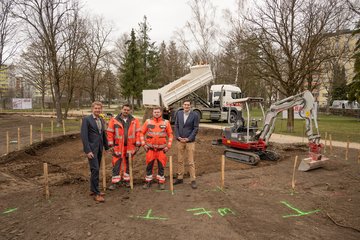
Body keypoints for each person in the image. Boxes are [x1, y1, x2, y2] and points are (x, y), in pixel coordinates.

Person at [106, 104, 141, 190]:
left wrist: (138, 144)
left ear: (130, 111)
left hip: (130, 146)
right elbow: (110, 133)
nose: (126, 111)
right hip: (118, 146)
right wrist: (110, 145)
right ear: (121, 109)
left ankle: (126, 181)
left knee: (128, 164)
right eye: (124, 109)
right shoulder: (114, 120)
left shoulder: (134, 120)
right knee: (116, 164)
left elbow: (138, 133)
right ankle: (115, 182)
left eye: (128, 110)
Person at [81, 101, 109, 203]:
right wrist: (88, 150)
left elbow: (103, 135)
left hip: (99, 149)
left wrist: (106, 147)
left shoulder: (101, 120)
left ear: (101, 109)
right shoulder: (86, 120)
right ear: (92, 109)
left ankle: (93, 189)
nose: (97, 110)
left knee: (94, 170)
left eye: (99, 108)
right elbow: (84, 136)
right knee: (96, 169)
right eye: (96, 108)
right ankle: (97, 194)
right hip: (92, 150)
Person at [141, 107, 173, 190]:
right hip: (150, 150)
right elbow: (141, 133)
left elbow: (170, 135)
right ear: (152, 113)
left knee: (161, 166)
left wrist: (168, 146)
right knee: (149, 166)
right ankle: (148, 181)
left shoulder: (166, 123)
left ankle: (161, 182)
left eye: (158, 112)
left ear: (161, 113)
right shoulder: (148, 122)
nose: (156, 113)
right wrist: (143, 144)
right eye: (155, 112)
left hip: (161, 150)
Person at [174, 100, 199, 189]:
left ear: (190, 106)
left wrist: (188, 138)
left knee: (190, 161)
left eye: (188, 105)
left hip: (190, 142)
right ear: (182, 105)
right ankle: (180, 178)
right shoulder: (179, 113)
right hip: (180, 141)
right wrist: (178, 137)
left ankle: (193, 180)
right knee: (180, 160)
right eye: (185, 105)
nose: (186, 106)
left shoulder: (195, 115)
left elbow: (195, 128)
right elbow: (176, 125)